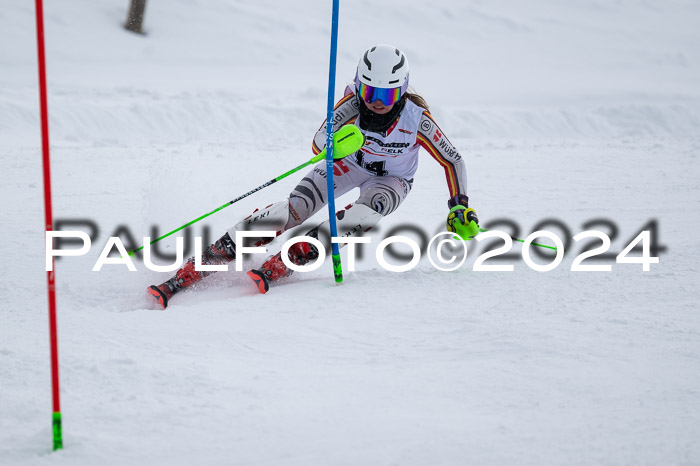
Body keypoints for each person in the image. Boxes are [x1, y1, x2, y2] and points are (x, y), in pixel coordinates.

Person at [147, 44, 479, 309]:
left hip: (391, 180)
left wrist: (459, 206)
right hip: (349, 163)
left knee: (360, 217)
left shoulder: (416, 120)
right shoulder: (350, 104)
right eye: (370, 93)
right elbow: (319, 141)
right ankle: (206, 261)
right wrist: (333, 142)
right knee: (289, 212)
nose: (377, 103)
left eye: (387, 95)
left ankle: (291, 258)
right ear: (360, 86)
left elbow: (453, 161)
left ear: (402, 92)